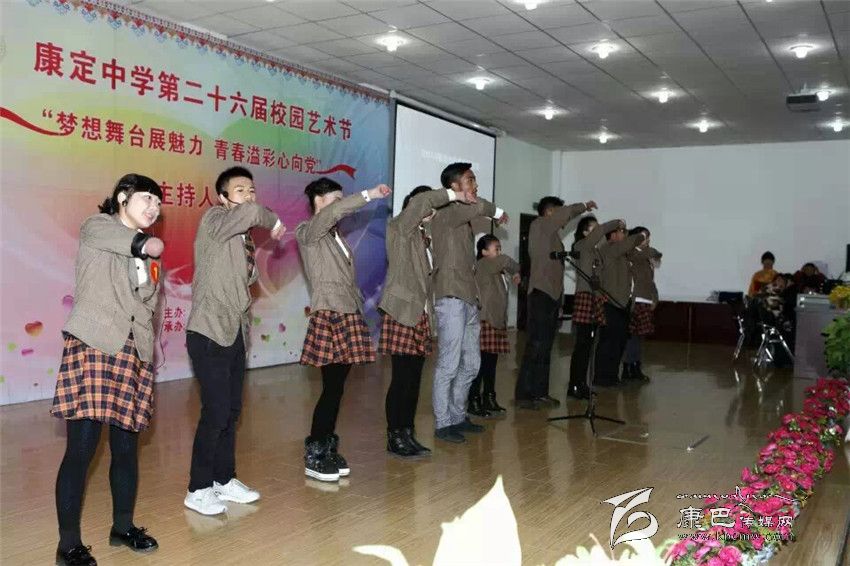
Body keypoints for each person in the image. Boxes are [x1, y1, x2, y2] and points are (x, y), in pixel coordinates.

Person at [51, 174, 164, 566]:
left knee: (126, 449)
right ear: (122, 198)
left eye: (158, 203)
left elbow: (147, 304)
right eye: (147, 198)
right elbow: (125, 241)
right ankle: (68, 546)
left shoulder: (149, 255)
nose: (154, 208)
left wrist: (149, 350)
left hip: (133, 351)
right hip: (95, 344)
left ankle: (123, 527)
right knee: (81, 449)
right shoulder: (97, 226)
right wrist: (144, 244)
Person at [184, 166, 285, 516]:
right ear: (223, 197)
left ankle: (223, 479)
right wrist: (272, 219)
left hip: (235, 332)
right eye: (240, 190)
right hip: (209, 331)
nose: (249, 195)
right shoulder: (214, 220)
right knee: (214, 411)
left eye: (252, 189)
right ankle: (198, 488)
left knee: (231, 411)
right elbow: (253, 213)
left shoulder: (243, 238)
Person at [298, 178, 391, 480]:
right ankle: (315, 450)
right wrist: (369, 194)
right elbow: (332, 214)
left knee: (337, 388)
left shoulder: (337, 237)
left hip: (348, 313)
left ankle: (326, 444)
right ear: (319, 202)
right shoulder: (309, 231)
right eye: (336, 199)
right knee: (331, 388)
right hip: (330, 314)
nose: (341, 205)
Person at [379, 185, 469, 458]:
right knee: (401, 378)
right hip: (402, 311)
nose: (432, 211)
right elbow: (422, 202)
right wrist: (454, 195)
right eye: (428, 207)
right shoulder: (400, 227)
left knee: (414, 378)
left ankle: (407, 432)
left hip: (420, 314)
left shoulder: (422, 235)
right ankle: (395, 436)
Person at [430, 162, 508, 444]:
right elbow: (478, 207)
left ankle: (458, 415)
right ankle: (443, 423)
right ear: (454, 187)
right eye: (470, 180)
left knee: (472, 364)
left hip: (469, 300)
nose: (475, 185)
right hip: (451, 298)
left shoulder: (463, 222)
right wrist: (497, 212)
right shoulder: (446, 213)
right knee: (448, 365)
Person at [515, 196, 595, 409]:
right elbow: (566, 214)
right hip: (540, 294)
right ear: (550, 212)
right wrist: (583, 206)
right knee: (536, 346)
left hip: (551, 297)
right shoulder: (539, 225)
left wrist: (559, 302)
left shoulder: (553, 236)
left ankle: (540, 392)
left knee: (546, 347)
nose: (563, 217)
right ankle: (525, 395)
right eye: (559, 211)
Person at [566, 216, 623, 400]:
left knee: (589, 345)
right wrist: (616, 223)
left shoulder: (596, 251)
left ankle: (582, 384)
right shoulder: (582, 246)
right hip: (585, 296)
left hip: (595, 297)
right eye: (593, 228)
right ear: (584, 233)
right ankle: (574, 385)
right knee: (582, 345)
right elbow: (600, 233)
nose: (598, 231)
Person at [469, 234, 521, 417]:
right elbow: (507, 261)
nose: (500, 252)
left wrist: (513, 273)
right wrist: (516, 269)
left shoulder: (497, 269)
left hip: (496, 321)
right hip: (486, 320)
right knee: (480, 364)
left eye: (500, 248)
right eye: (495, 248)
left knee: (491, 364)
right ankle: (473, 400)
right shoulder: (484, 264)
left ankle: (489, 398)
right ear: (483, 252)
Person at [593, 224, 646, 387]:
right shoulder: (609, 248)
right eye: (622, 232)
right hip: (610, 302)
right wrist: (642, 235)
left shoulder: (622, 253)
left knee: (619, 342)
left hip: (622, 303)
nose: (625, 234)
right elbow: (631, 242)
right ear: (613, 235)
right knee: (609, 342)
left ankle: (612, 376)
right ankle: (602, 377)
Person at [622, 227, 662, 381]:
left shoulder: (646, 258)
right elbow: (651, 253)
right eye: (644, 237)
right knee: (631, 336)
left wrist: (654, 298)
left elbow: (650, 282)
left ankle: (636, 366)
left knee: (639, 337)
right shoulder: (631, 253)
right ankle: (627, 367)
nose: (648, 240)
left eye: (648, 237)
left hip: (645, 300)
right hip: (634, 300)